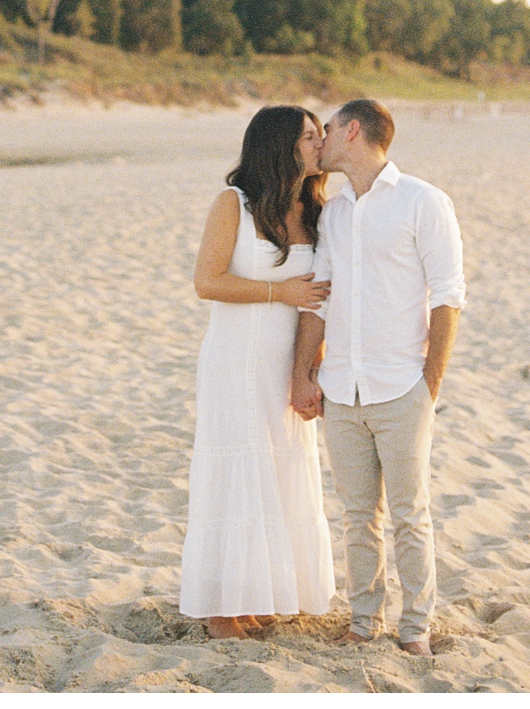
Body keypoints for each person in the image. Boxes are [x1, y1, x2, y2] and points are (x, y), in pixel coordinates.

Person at [291, 99, 465, 656]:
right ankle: (365, 621)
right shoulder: (336, 213)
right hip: (342, 388)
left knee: (411, 515)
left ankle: (415, 628)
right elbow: (319, 299)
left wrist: (428, 383)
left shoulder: (423, 201)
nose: (322, 140)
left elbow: (449, 295)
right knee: (358, 515)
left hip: (401, 387)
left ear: (354, 130)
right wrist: (304, 372)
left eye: (330, 128)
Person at [178, 105, 336, 639]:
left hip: (286, 361)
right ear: (280, 145)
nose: (322, 143)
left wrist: (308, 372)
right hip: (235, 359)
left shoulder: (317, 211)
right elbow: (207, 281)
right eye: (311, 136)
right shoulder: (235, 205)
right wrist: (279, 291)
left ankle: (258, 593)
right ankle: (222, 608)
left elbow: (321, 301)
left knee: (281, 469)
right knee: (237, 471)